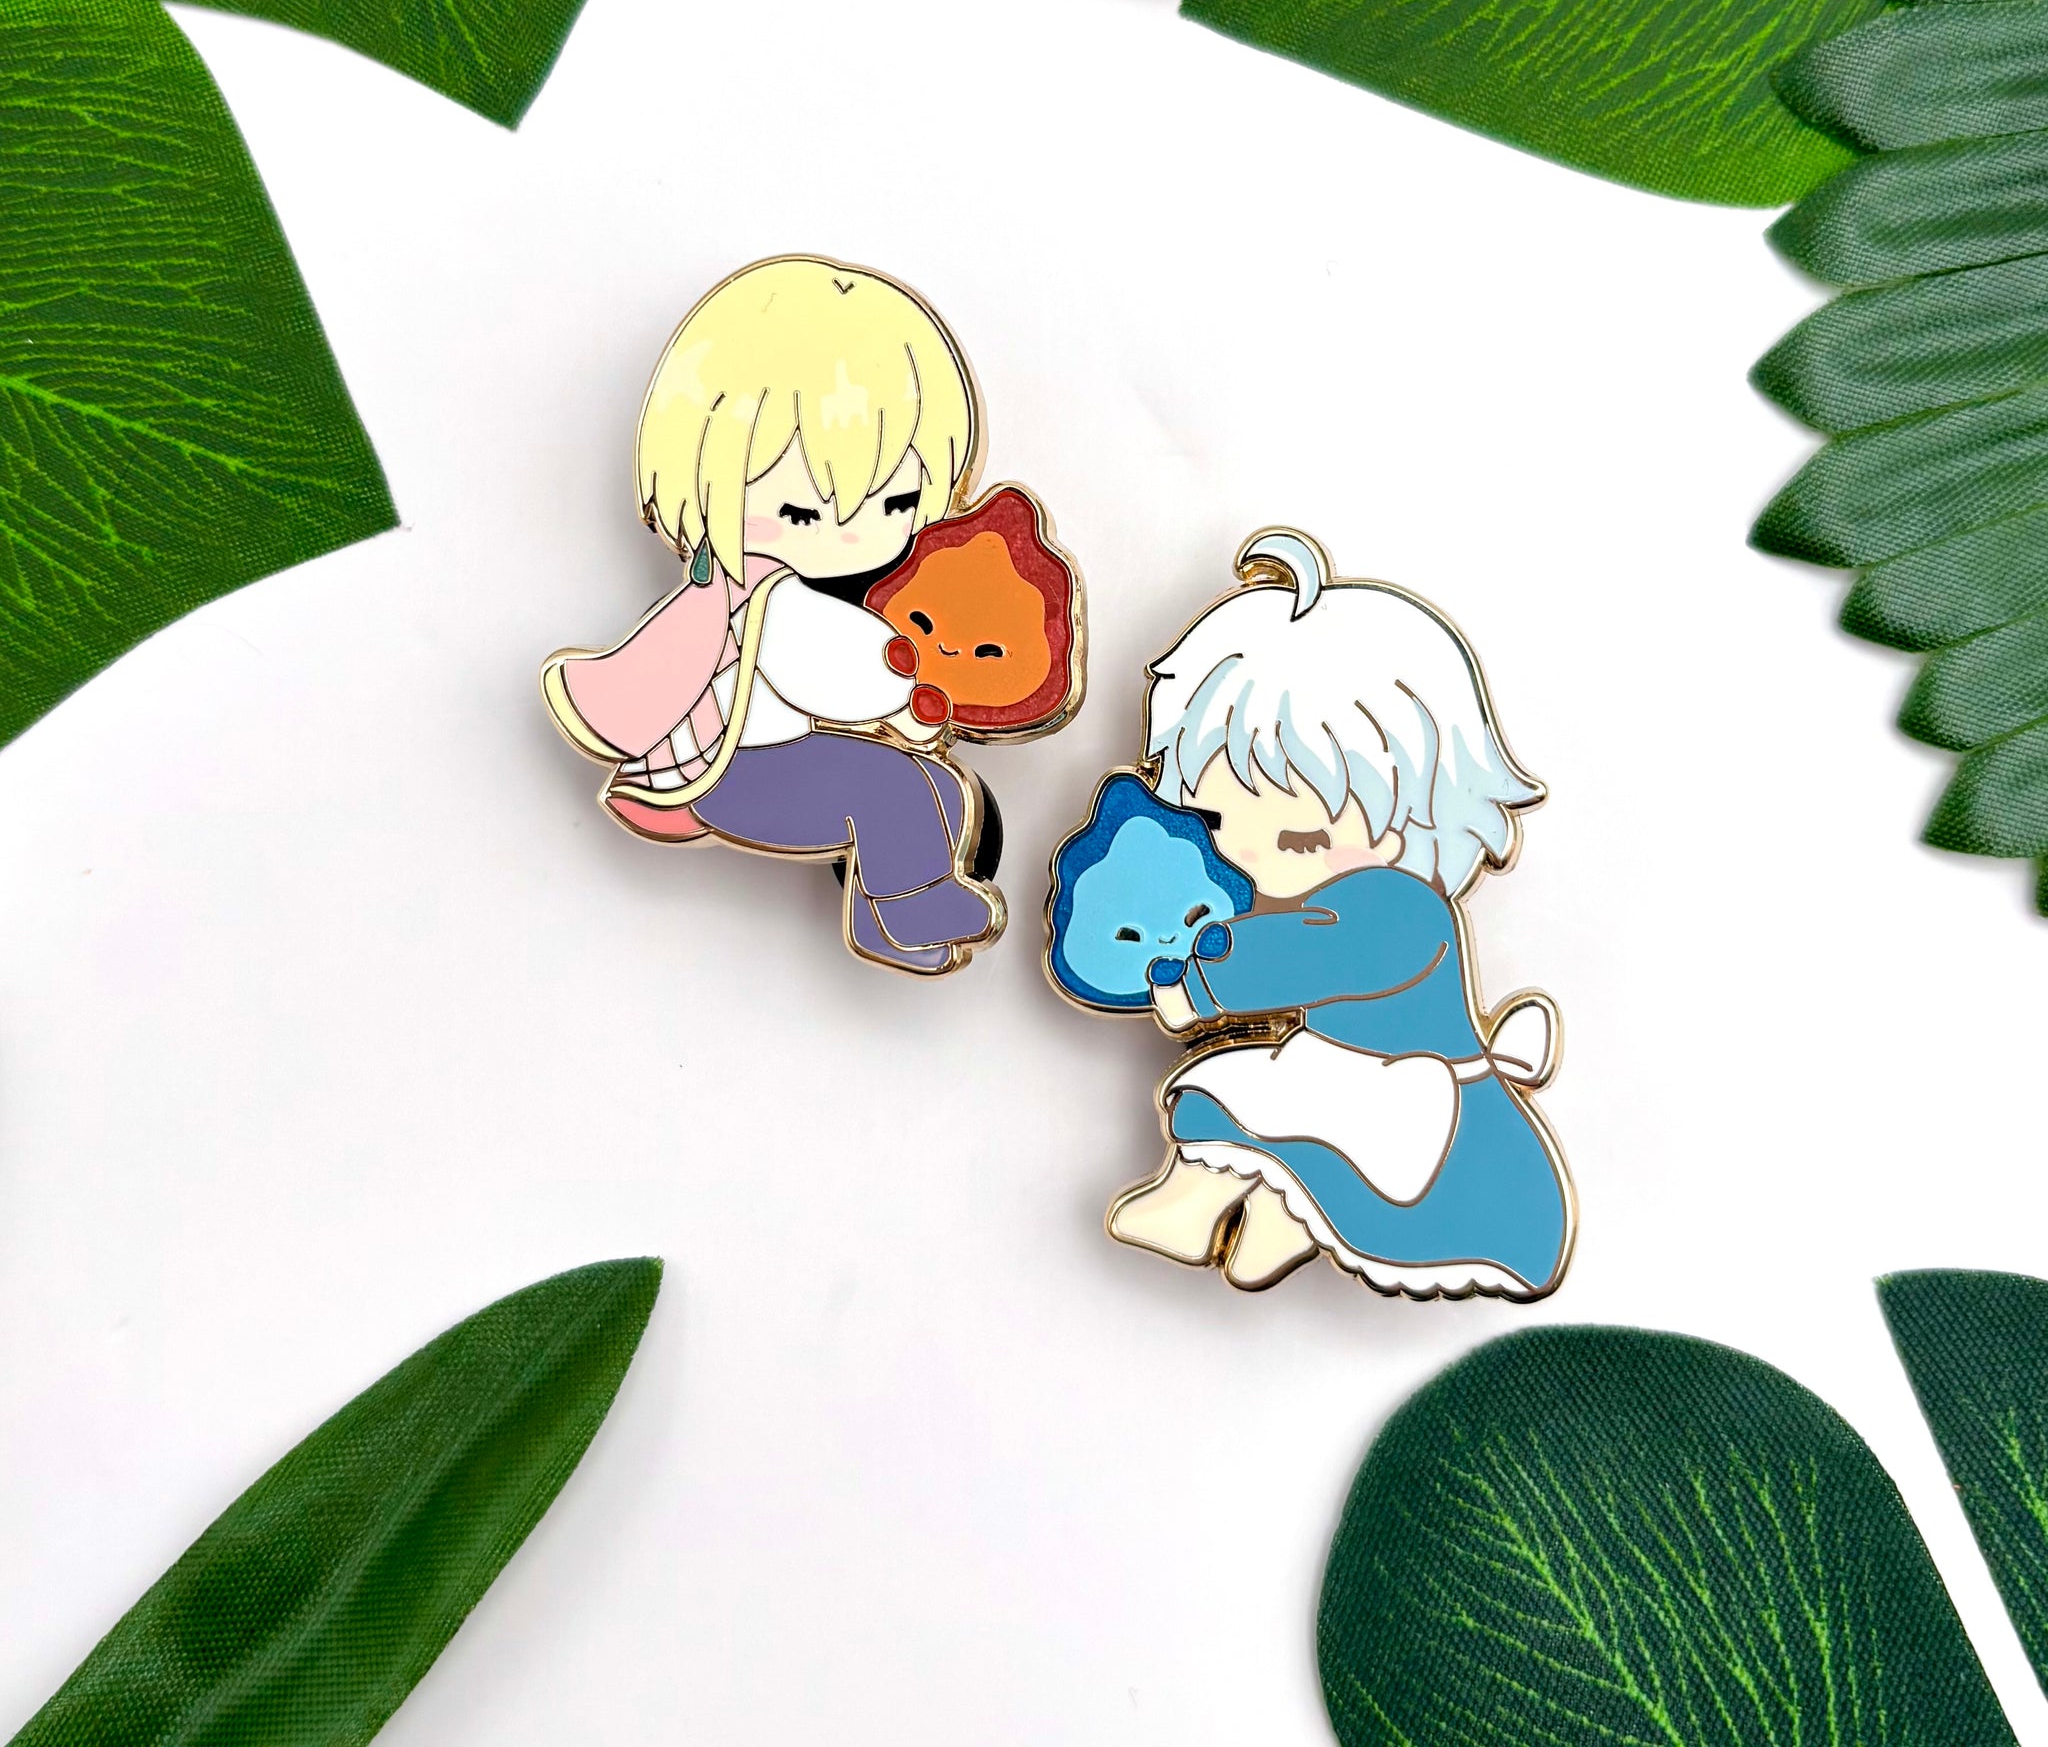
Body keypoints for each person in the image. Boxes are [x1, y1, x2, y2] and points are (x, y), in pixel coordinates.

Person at [1108, 530, 1573, 1297]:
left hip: (1403, 1096)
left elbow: (1308, 955)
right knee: (1232, 1104)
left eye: (1301, 835)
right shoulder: (1333, 895)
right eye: (1221, 820)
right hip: (1336, 1068)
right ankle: (1202, 1214)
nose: (1253, 853)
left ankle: (1271, 1227)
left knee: (1295, 1132)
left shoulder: (1401, 908)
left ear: (1411, 812)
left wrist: (1198, 988)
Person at [542, 257, 1002, 975]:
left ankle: (884, 926)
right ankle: (913, 909)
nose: (852, 533)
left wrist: (907, 719)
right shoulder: (772, 595)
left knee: (940, 789)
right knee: (889, 787)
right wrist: (903, 691)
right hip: (738, 775)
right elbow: (838, 671)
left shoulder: (754, 587)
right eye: (802, 512)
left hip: (778, 754)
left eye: (895, 503)